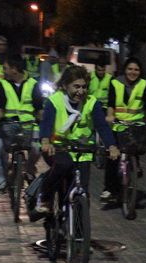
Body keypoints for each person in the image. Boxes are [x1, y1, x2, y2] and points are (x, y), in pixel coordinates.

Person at [34, 65, 119, 217]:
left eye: (84, 87)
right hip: (58, 148)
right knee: (63, 165)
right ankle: (45, 196)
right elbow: (46, 124)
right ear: (65, 85)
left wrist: (112, 145)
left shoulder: (92, 103)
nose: (81, 91)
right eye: (76, 86)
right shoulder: (54, 101)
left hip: (82, 152)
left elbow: (102, 126)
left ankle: (79, 231)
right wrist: (46, 142)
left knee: (83, 192)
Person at [101, 57, 146, 200]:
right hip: (118, 124)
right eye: (130, 69)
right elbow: (111, 103)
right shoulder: (115, 82)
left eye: (136, 70)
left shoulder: (143, 84)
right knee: (113, 157)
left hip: (135, 125)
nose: (133, 72)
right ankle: (109, 189)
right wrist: (110, 116)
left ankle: (135, 165)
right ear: (125, 69)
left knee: (136, 148)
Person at [0, 54, 43, 192]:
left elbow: (39, 106)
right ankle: (1, 179)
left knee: (37, 148)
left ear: (14, 69)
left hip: (28, 126)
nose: (3, 71)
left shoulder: (33, 84)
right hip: (9, 126)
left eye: (5, 68)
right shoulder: (3, 84)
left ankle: (30, 169)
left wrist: (41, 117)